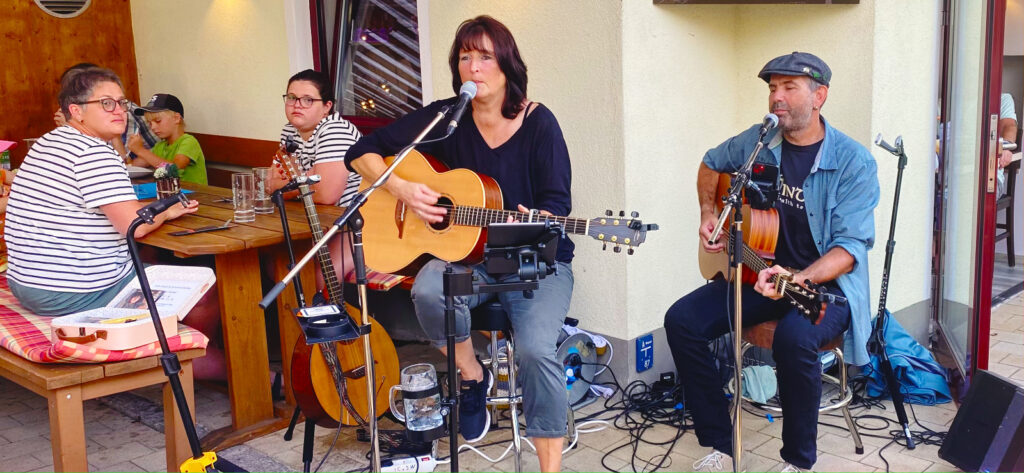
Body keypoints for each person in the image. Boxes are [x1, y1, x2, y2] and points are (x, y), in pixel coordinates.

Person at [345, 16, 574, 472]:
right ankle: (473, 375)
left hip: (533, 261)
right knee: (428, 287)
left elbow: (557, 207)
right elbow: (361, 152)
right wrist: (404, 190)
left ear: (507, 64)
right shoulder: (447, 118)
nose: (474, 67)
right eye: (465, 57)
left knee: (535, 351)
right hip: (468, 258)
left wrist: (535, 222)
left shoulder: (539, 123)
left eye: (485, 56)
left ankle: (550, 465)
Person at [663, 52, 879, 472]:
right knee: (681, 320)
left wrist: (796, 276)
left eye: (788, 88)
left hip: (822, 288)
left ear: (820, 96)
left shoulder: (853, 162)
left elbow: (850, 249)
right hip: (756, 273)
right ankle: (720, 445)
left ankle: (798, 462)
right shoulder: (760, 142)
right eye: (771, 88)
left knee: (794, 340)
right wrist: (709, 215)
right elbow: (710, 162)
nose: (776, 98)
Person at [5, 67, 223, 379]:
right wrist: (167, 211)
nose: (119, 111)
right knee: (207, 286)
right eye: (106, 103)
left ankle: (165, 345)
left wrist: (155, 210)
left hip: (26, 282)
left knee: (148, 259)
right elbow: (135, 226)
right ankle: (185, 356)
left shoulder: (49, 142)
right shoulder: (92, 154)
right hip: (72, 290)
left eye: (121, 103)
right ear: (76, 111)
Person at [265, 69, 363, 290]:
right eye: (291, 98)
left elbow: (326, 194)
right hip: (314, 223)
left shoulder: (335, 129)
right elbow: (271, 185)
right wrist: (305, 183)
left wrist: (290, 186)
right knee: (272, 265)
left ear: (327, 106)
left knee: (314, 280)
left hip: (353, 225)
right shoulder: (290, 131)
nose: (296, 105)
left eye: (308, 100)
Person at [53, 62, 159, 162]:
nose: (119, 110)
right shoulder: (78, 116)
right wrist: (70, 129)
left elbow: (121, 162)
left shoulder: (124, 111)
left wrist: (73, 129)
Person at [127, 93, 208, 185]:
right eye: (150, 123)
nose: (152, 127)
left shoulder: (189, 141)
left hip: (195, 196)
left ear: (176, 118)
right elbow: (134, 165)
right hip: (170, 195)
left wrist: (140, 150)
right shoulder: (160, 146)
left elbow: (175, 168)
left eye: (158, 121)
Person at [997, 92, 1019, 196]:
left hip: (988, 179)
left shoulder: (1002, 98)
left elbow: (1009, 126)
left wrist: (1005, 147)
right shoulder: (951, 100)